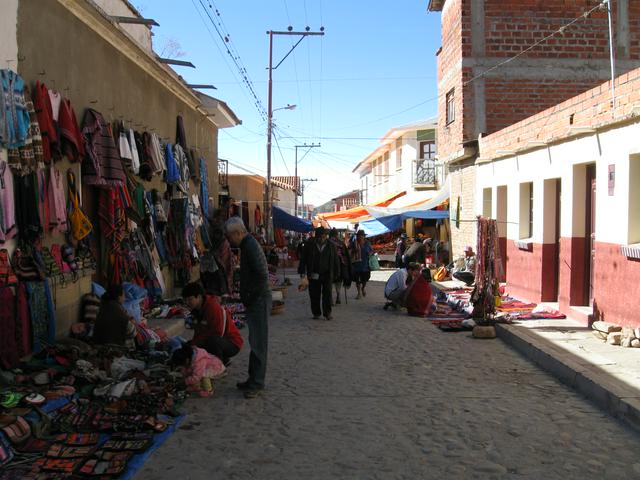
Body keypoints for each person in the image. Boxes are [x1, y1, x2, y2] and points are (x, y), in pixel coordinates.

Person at [224, 216, 271, 399]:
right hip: (255, 299)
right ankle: (253, 379)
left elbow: (262, 274)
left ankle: (257, 383)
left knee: (259, 343)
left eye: (230, 236)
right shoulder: (247, 245)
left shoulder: (250, 246)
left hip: (258, 300)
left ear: (238, 233)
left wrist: (250, 296)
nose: (229, 240)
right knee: (255, 341)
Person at [181, 282, 243, 366]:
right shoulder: (196, 309)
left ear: (199, 297)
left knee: (211, 341)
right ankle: (223, 360)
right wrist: (192, 344)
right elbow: (199, 331)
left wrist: (196, 343)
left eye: (190, 299)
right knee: (192, 346)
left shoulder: (212, 307)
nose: (187, 302)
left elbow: (217, 332)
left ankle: (218, 366)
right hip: (218, 339)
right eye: (186, 300)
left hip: (232, 343)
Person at [299, 226, 339, 320]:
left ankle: (327, 313)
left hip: (327, 274)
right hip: (313, 273)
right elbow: (303, 259)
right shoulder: (309, 245)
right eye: (320, 237)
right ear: (316, 237)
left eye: (324, 236)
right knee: (314, 294)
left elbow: (335, 260)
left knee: (327, 294)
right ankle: (316, 313)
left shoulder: (331, 245)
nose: (322, 238)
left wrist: (337, 273)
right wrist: (302, 272)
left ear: (326, 236)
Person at [329, 228, 352, 305]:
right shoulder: (341, 243)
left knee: (330, 282)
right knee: (339, 281)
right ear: (336, 234)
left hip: (330, 264)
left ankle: (331, 298)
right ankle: (338, 296)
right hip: (340, 264)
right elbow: (345, 255)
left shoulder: (328, 242)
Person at [349, 229, 373, 299]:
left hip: (365, 265)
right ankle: (359, 292)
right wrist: (353, 251)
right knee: (357, 280)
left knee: (364, 280)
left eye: (361, 236)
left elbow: (372, 251)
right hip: (356, 264)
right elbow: (348, 251)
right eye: (358, 236)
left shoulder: (367, 243)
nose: (360, 237)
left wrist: (370, 253)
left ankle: (363, 288)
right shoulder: (354, 243)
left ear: (363, 236)